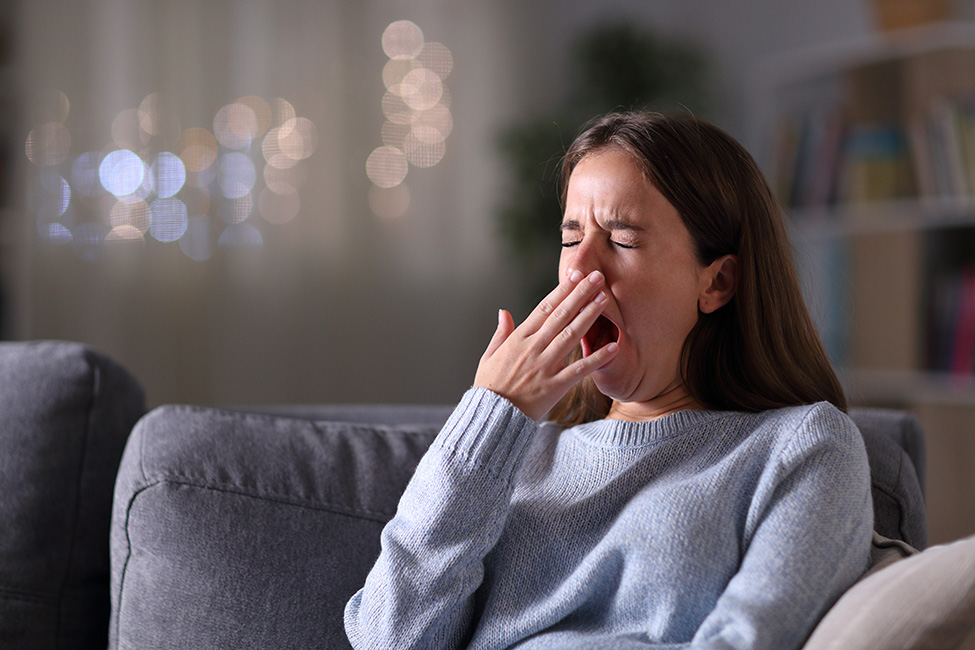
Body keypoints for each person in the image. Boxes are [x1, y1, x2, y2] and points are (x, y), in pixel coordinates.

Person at [344, 111, 873, 649]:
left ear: (718, 282)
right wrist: (488, 417)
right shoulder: (509, 461)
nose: (579, 272)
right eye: (571, 239)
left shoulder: (802, 448)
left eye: (622, 239)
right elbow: (389, 639)